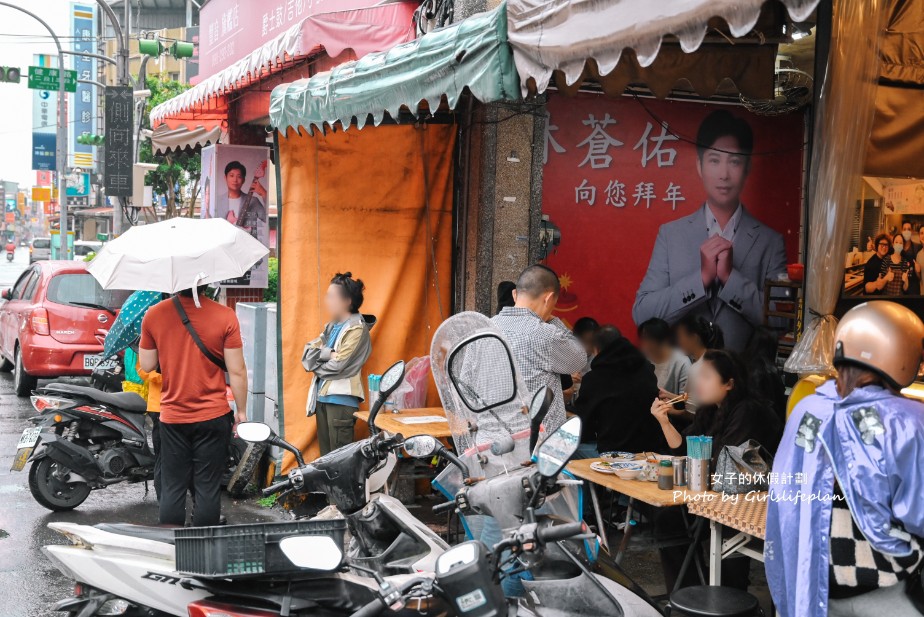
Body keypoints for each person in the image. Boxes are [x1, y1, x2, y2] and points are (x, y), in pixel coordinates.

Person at [765, 301, 924, 617]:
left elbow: (783, 496)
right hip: (886, 588)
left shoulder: (806, 410)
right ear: (903, 354)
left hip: (812, 584)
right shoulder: (907, 421)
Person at [633, 109, 787, 352]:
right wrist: (701, 280)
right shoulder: (671, 235)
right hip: (680, 384)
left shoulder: (770, 242)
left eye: (734, 161)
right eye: (714, 160)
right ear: (699, 165)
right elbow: (643, 314)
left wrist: (730, 280)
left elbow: (781, 322)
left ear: (747, 167)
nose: (724, 175)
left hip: (740, 381)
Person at [139, 286, 248, 527]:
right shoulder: (225, 315)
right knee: (207, 485)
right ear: (206, 282)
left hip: (172, 416)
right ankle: (203, 549)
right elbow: (237, 370)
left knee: (173, 485)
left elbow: (146, 365)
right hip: (213, 415)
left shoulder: (154, 314)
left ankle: (173, 549)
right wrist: (241, 411)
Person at [651, 349, 782, 468]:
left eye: (707, 377)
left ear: (729, 384)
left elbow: (724, 464)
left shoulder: (747, 411)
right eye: (700, 376)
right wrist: (664, 422)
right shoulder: (710, 408)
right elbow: (684, 450)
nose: (699, 383)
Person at [493, 264, 587, 431]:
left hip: (491, 442)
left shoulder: (483, 328)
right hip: (535, 445)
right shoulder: (545, 334)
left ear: (515, 294)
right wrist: (553, 320)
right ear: (548, 298)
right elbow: (579, 359)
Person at [302, 272, 372, 456]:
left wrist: (318, 365)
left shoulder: (356, 328)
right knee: (326, 458)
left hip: (341, 399)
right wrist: (329, 354)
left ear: (347, 301)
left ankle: (341, 487)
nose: (327, 300)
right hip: (322, 397)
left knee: (340, 460)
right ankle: (327, 487)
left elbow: (339, 365)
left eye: (331, 296)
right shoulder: (332, 325)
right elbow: (307, 353)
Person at [575, 326, 665, 457]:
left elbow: (584, 429)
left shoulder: (594, 379)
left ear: (597, 350)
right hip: (651, 449)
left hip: (612, 454)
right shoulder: (647, 370)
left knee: (566, 449)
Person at [674, 313, 724, 414]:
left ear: (694, 337)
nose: (678, 342)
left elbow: (694, 414)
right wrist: (669, 396)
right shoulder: (717, 357)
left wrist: (669, 411)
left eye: (680, 336)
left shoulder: (699, 368)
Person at [637, 317, 691, 405]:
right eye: (643, 339)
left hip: (671, 413)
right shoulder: (644, 359)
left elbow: (687, 401)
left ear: (664, 340)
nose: (645, 345)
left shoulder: (681, 362)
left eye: (649, 340)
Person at [744, 326, 787, 423]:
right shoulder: (769, 370)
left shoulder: (742, 361)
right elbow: (778, 403)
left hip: (744, 418)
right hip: (764, 422)